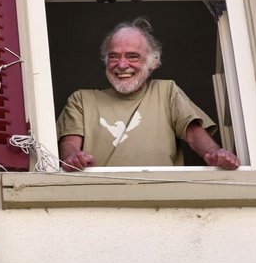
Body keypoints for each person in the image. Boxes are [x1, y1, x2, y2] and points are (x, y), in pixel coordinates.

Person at [56, 18, 240, 171]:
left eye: (132, 56)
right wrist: (72, 158)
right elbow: (70, 144)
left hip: (161, 197)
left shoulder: (166, 90)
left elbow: (193, 134)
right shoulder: (81, 99)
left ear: (153, 62)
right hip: (98, 198)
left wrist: (216, 153)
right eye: (114, 56)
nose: (121, 65)